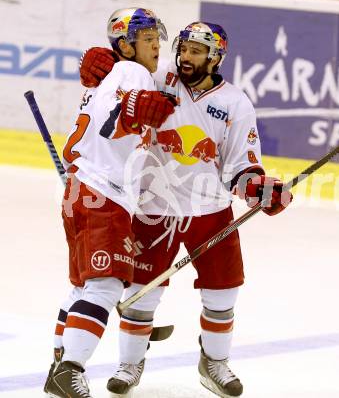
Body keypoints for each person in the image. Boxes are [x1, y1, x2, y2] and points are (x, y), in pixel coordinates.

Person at [78, 22, 293, 398]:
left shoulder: (235, 103)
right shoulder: (159, 78)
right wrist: (103, 61)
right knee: (143, 294)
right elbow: (121, 79)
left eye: (196, 51)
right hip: (152, 207)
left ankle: (214, 363)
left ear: (216, 57)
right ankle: (130, 363)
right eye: (183, 49)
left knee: (223, 293)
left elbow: (242, 165)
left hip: (210, 211)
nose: (186, 57)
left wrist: (259, 189)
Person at [44, 7, 176, 398]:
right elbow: (110, 118)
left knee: (83, 287)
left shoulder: (115, 74)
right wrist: (133, 111)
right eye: (147, 40)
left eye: (157, 39)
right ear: (125, 45)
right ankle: (69, 369)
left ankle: (59, 360)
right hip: (103, 192)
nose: (156, 46)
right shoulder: (131, 73)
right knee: (105, 285)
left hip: (84, 188)